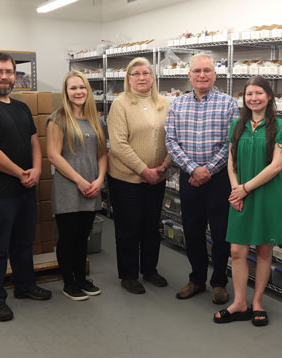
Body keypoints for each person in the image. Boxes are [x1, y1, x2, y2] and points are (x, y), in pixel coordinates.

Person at [0, 52, 52, 322]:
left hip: (26, 188)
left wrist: (37, 170)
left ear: (15, 75)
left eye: (9, 71)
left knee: (23, 241)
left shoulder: (21, 107)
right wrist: (21, 174)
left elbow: (34, 142)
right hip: (0, 192)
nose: (5, 76)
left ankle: (25, 285)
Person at [213, 76, 282, 327]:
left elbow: (276, 166)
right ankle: (239, 303)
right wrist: (236, 188)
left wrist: (245, 188)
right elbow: (231, 161)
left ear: (269, 96)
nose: (253, 98)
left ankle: (257, 302)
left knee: (264, 249)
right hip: (240, 193)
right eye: (249, 94)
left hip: (267, 194)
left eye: (258, 93)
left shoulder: (281, 126)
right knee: (237, 250)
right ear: (244, 98)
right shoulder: (237, 125)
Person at [166, 53, 240, 304]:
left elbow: (232, 143)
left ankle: (219, 282)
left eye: (207, 70)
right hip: (189, 178)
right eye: (197, 71)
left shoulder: (229, 104)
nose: (202, 75)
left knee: (220, 234)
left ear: (215, 74)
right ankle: (197, 279)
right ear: (189, 75)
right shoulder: (177, 104)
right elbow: (171, 141)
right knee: (193, 230)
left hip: (219, 179)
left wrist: (208, 169)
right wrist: (192, 169)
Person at [108, 57, 171, 294]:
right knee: (128, 226)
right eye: (135, 74)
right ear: (128, 79)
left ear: (153, 77)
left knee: (151, 226)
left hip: (159, 176)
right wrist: (144, 170)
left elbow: (173, 138)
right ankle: (128, 274)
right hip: (126, 178)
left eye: (146, 73)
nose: (141, 78)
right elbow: (118, 144)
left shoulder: (165, 103)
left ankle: (150, 270)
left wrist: (164, 167)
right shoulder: (121, 104)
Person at [46, 71, 107, 301]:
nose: (78, 92)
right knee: (68, 237)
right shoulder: (58, 119)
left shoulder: (96, 120)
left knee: (84, 237)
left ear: (88, 90)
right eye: (73, 88)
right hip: (68, 188)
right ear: (66, 92)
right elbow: (53, 155)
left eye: (82, 87)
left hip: (92, 187)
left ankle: (82, 278)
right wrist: (80, 181)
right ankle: (69, 282)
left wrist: (100, 180)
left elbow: (102, 154)